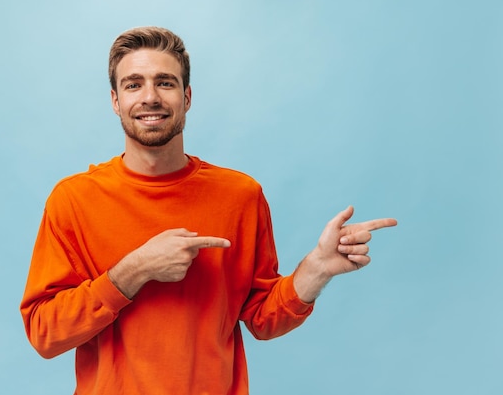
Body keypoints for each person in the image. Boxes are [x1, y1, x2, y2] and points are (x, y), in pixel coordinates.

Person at [20, 26, 397, 395]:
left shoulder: (240, 195)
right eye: (133, 84)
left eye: (165, 83)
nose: (150, 97)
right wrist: (130, 273)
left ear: (186, 97)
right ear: (115, 101)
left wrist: (317, 269)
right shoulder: (73, 199)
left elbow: (264, 319)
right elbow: (44, 333)